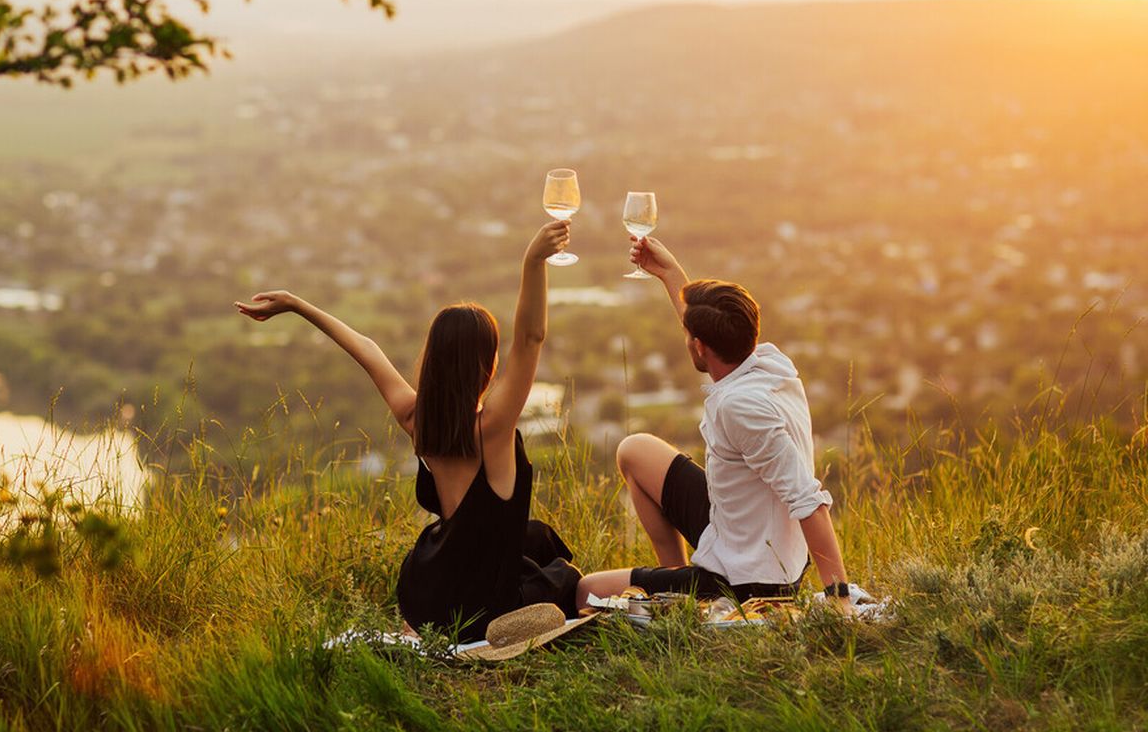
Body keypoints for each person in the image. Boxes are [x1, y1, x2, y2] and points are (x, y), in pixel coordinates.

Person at [235, 220, 582, 641]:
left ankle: (428, 633)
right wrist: (533, 260)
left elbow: (366, 349)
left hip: (431, 588)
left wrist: (297, 305)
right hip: (482, 598)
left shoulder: (416, 419)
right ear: (487, 364)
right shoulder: (491, 427)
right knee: (569, 579)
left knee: (535, 540)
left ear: (433, 359)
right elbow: (530, 338)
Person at [576, 236, 854, 613]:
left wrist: (839, 600)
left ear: (700, 346)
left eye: (690, 337)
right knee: (635, 451)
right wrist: (670, 273)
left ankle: (682, 597)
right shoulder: (769, 362)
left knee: (587, 590)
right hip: (738, 527)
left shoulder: (740, 407)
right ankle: (672, 577)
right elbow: (708, 332)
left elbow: (808, 501)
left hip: (750, 577)